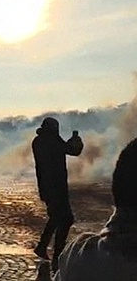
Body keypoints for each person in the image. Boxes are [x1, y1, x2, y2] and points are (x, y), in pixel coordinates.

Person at [53, 137, 137, 280]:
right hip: (54, 186)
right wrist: (76, 144)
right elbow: (71, 150)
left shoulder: (77, 258)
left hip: (52, 186)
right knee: (63, 218)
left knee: (61, 219)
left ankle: (48, 251)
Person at [32, 117, 83, 273]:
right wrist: (77, 140)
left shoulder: (40, 141)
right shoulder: (50, 141)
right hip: (56, 186)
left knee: (56, 217)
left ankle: (43, 247)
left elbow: (63, 148)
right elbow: (72, 150)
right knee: (66, 218)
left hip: (48, 187)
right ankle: (57, 255)